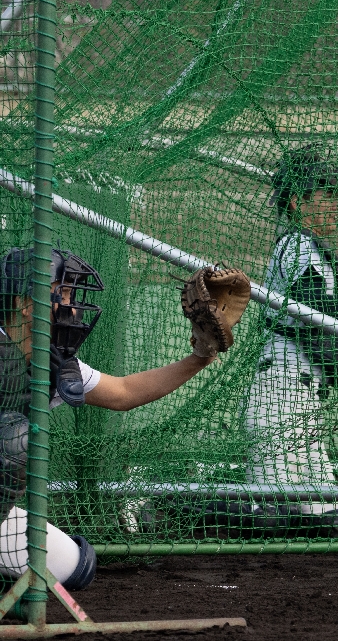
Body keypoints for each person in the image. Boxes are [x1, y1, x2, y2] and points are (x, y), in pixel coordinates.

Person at [1, 247, 223, 597]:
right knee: (12, 441)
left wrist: (199, 357)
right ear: (25, 304)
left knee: (76, 567)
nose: (73, 308)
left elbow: (124, 392)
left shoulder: (53, 361)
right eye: (65, 294)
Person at [242, 145, 338, 534]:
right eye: (327, 196)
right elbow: (313, 308)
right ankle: (171, 505)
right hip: (278, 394)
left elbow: (326, 344)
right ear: (298, 202)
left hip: (303, 399)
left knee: (324, 519)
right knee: (270, 518)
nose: (337, 206)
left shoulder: (318, 254)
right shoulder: (295, 245)